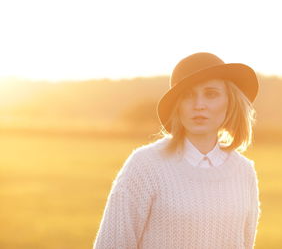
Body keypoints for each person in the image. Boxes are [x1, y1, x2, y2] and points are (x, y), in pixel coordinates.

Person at [93, 52, 261, 249]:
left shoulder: (244, 171)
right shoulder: (145, 165)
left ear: (230, 101)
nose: (199, 105)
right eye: (188, 95)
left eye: (211, 94)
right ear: (177, 105)